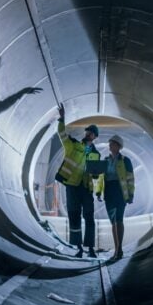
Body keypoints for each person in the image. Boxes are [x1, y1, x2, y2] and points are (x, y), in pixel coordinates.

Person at [55, 104, 100, 258]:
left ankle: (91, 248)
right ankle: (79, 248)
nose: (88, 134)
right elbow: (61, 133)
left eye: (91, 133)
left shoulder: (96, 154)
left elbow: (96, 175)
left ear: (95, 137)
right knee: (74, 217)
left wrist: (96, 177)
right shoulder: (73, 145)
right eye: (87, 131)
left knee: (89, 218)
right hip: (72, 187)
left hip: (86, 189)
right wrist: (61, 118)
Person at [95, 134, 135, 261]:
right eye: (109, 143)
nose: (110, 145)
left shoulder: (125, 161)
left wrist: (130, 194)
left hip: (120, 192)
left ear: (118, 146)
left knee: (119, 219)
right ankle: (117, 248)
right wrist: (98, 192)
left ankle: (119, 249)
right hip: (109, 192)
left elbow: (130, 179)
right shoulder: (106, 160)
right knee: (113, 221)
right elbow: (101, 178)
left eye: (112, 143)